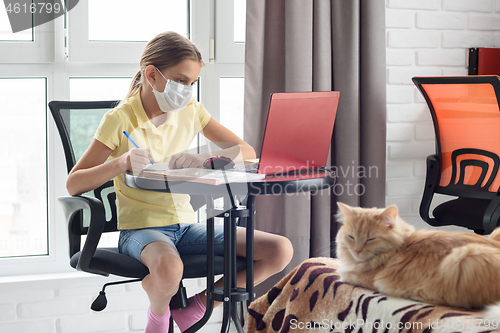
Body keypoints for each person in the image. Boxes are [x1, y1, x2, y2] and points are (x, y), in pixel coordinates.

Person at [66, 31, 293, 333]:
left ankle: (200, 305)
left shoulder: (190, 111)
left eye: (192, 83)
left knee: (280, 250)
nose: (186, 90)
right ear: (152, 75)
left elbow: (248, 152)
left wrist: (203, 159)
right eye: (180, 80)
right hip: (141, 229)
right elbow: (73, 185)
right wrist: (119, 163)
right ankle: (159, 314)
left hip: (186, 226)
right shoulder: (119, 119)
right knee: (171, 268)